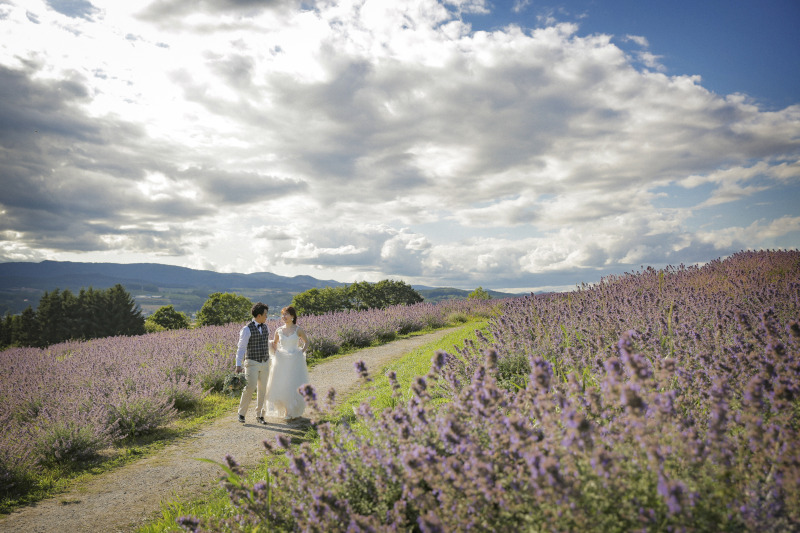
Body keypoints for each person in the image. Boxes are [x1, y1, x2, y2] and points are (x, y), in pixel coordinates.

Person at [264, 306, 311, 421]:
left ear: (293, 316)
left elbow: (306, 342)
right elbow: (274, 343)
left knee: (293, 383)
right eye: (283, 314)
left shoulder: (298, 329)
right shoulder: (279, 330)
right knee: (282, 383)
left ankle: (291, 410)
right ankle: (286, 409)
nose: (284, 317)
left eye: (286, 314)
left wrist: (301, 352)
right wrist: (276, 353)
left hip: (295, 360)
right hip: (282, 360)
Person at [235, 302, 272, 425]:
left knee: (263, 390)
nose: (267, 316)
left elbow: (266, 343)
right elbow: (241, 348)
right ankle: (241, 413)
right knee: (249, 387)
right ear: (259, 315)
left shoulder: (266, 327)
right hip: (252, 362)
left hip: (265, 362)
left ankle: (260, 415)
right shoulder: (246, 329)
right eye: (265, 314)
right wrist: (238, 364)